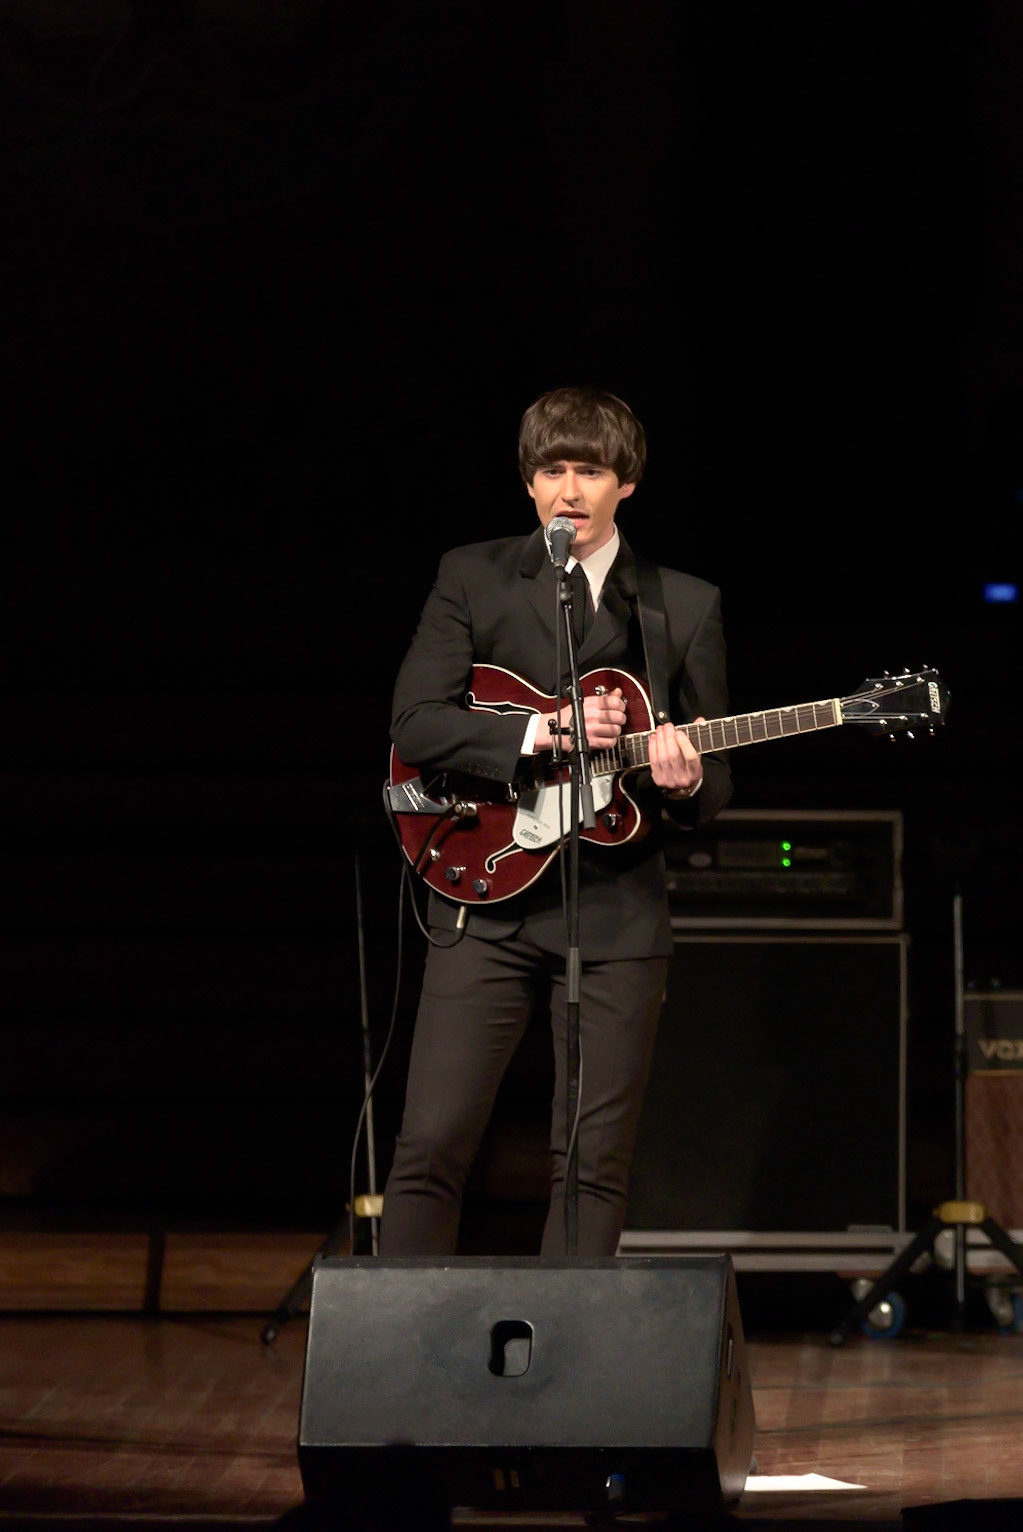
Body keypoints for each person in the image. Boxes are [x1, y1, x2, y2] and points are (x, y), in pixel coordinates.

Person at [379, 386, 731, 1258]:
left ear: (627, 485)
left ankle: (570, 1384)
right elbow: (416, 725)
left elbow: (716, 784)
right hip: (484, 895)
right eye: (551, 470)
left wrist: (682, 780)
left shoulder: (680, 605)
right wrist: (542, 728)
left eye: (590, 471)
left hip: (614, 911)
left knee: (592, 1160)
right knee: (431, 1144)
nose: (568, 490)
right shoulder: (473, 574)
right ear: (530, 484)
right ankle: (403, 1379)